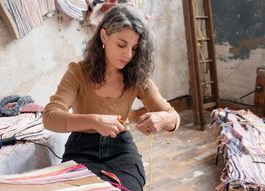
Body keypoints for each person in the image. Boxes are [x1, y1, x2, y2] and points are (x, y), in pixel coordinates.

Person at [43, 4, 180, 191]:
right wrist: (94, 121)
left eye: (134, 48)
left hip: (121, 149)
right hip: (82, 149)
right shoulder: (78, 72)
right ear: (104, 36)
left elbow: (173, 117)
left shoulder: (137, 75)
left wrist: (164, 119)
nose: (128, 55)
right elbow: (50, 118)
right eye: (122, 45)